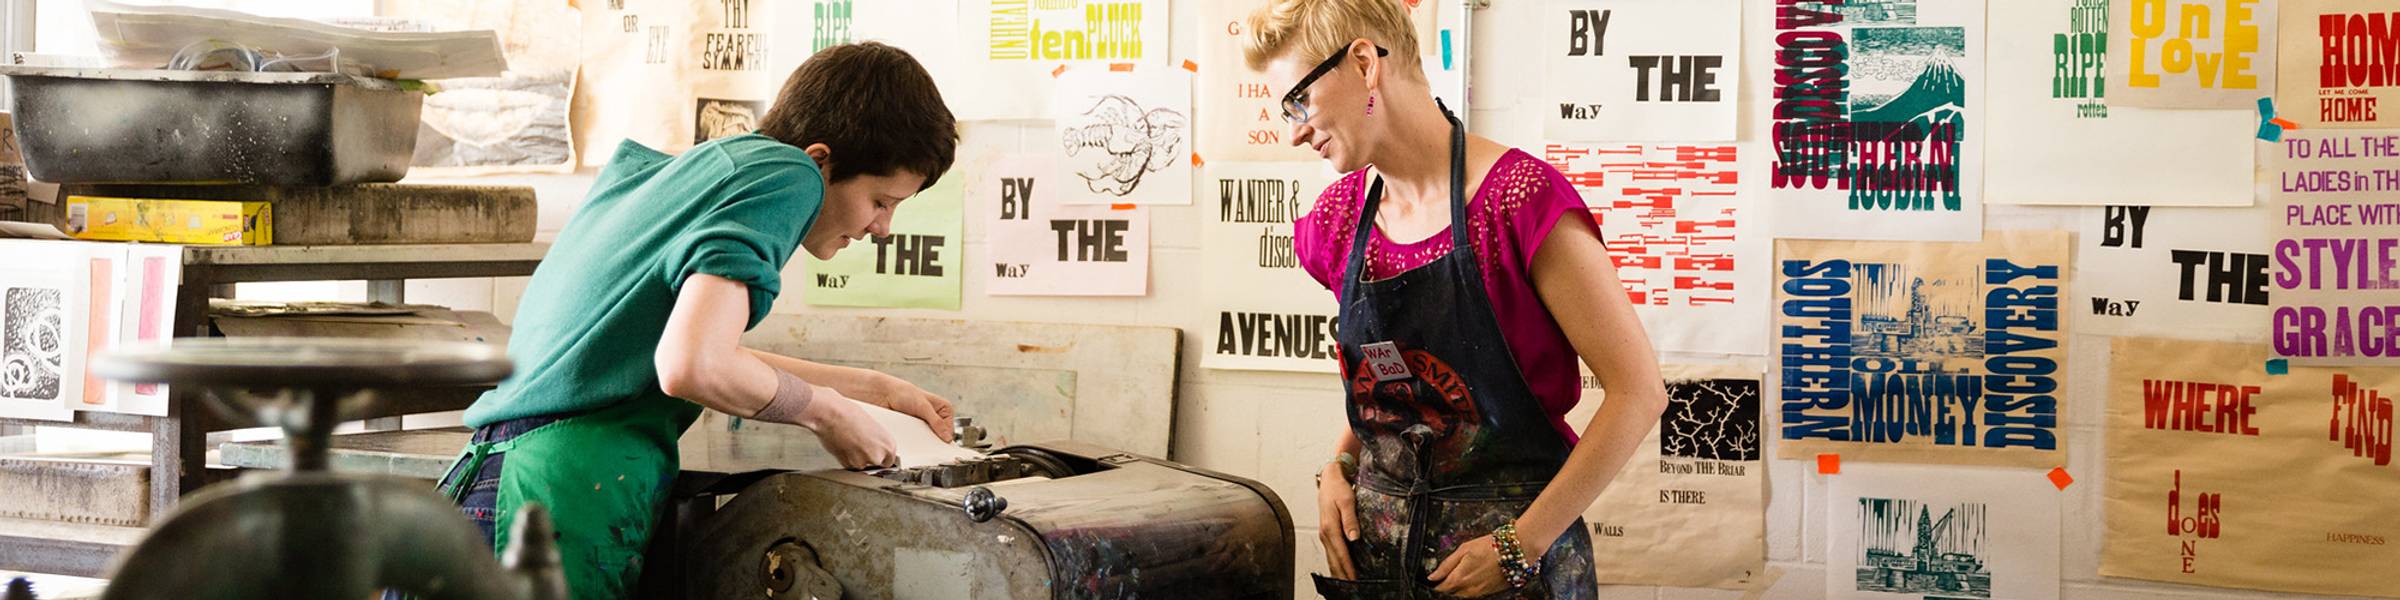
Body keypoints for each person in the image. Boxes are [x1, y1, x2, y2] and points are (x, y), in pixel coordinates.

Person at [431, 41, 960, 598]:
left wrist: (873, 390)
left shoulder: (698, 171)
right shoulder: (791, 174)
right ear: (822, 158)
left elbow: (669, 347)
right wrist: (829, 415)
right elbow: (692, 364)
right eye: (881, 200)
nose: (884, 227)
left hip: (507, 479)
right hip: (556, 497)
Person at [1243, 1, 1671, 597]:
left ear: (1365, 63)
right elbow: (1389, 383)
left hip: (1509, 572)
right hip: (1380, 566)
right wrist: (1337, 468)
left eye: (1300, 100)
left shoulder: (1519, 203)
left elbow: (1639, 393)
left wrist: (1521, 545)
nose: (1294, 130)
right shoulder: (1339, 224)